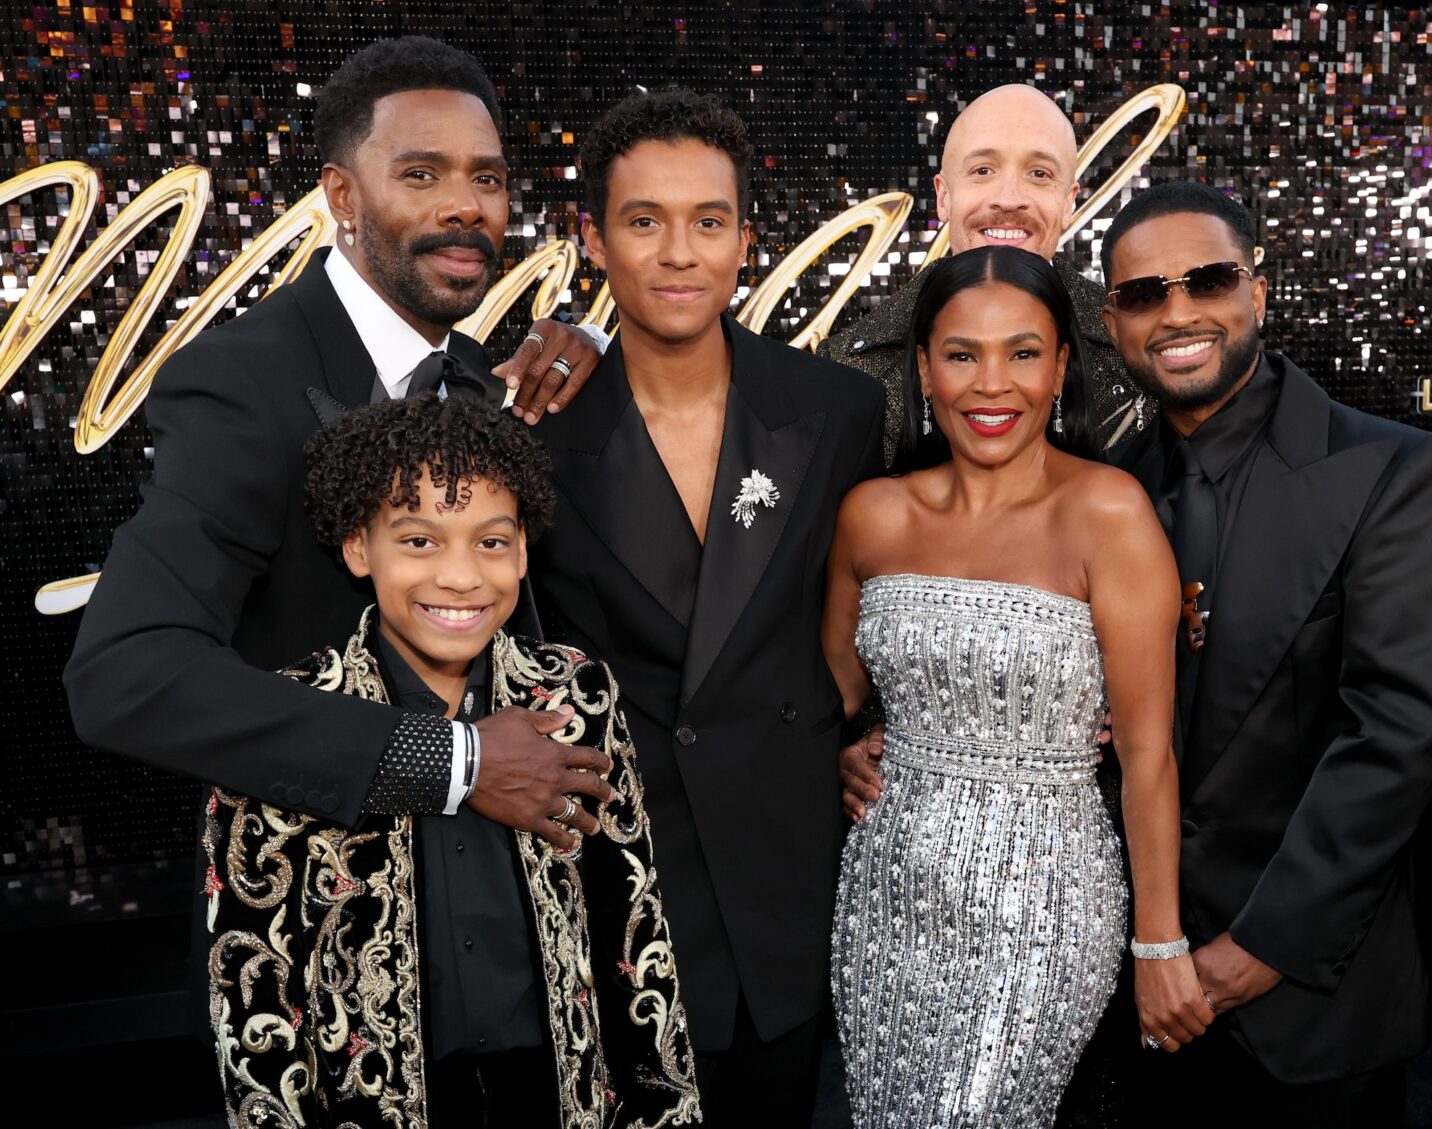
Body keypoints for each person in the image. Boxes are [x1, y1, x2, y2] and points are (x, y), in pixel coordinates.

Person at [62, 34, 610, 1076]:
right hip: (331, 974)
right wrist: (451, 764)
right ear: (340, 198)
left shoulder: (494, 387)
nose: (465, 206)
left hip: (527, 971)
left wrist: (605, 344)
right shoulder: (244, 382)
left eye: (486, 179)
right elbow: (126, 675)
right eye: (421, 174)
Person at [527, 89, 885, 1126]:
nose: (679, 252)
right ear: (594, 239)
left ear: (746, 239)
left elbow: (886, 598)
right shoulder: (534, 430)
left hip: (790, 870)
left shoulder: (837, 411)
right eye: (645, 221)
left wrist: (869, 734)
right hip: (620, 878)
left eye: (709, 221)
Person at [205, 390, 698, 1126]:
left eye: (491, 541)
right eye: (419, 541)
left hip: (559, 1098)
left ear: (524, 549)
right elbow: (254, 993)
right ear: (357, 546)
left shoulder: (578, 695)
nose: (461, 576)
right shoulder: (297, 715)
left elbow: (635, 932)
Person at [1101, 181, 1432, 1125]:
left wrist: (1256, 949)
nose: (1177, 311)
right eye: (1145, 293)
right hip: (1129, 1007)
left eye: (1208, 279)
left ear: (1257, 294)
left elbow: (1397, 734)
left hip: (1312, 1002)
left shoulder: (1398, 471)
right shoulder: (1102, 494)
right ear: (1112, 322)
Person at [824, 245, 1207, 1126]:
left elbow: (1148, 755)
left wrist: (1160, 940)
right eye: (962, 354)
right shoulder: (872, 514)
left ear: (1063, 365)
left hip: (1043, 905)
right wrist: (843, 751)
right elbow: (825, 697)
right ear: (923, 367)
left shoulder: (1107, 512)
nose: (991, 385)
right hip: (888, 896)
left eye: (1023, 353)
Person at [820, 83, 1143, 465]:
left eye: (1039, 173)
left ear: (1068, 201)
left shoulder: (1134, 348)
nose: (1008, 198)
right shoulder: (845, 366)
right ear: (943, 196)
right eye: (982, 170)